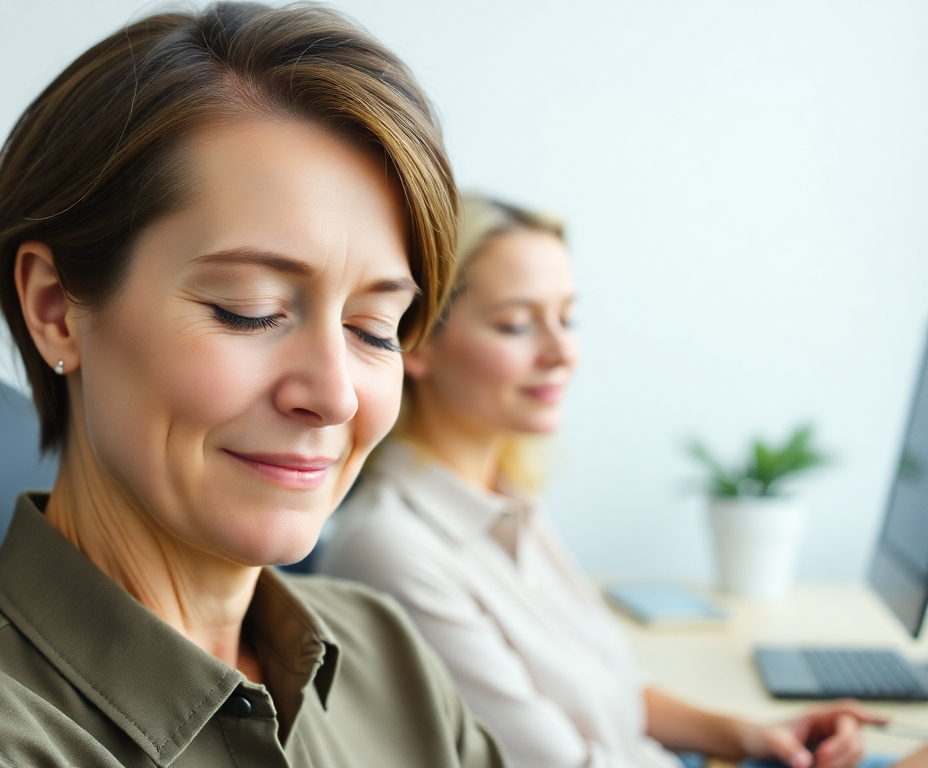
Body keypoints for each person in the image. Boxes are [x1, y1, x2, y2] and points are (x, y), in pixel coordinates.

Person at [0, 5, 503, 767]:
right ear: (56, 309)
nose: (336, 396)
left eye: (375, 328)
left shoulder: (384, 651)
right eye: (251, 312)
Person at [318, 192, 886, 768]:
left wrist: (750, 737)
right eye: (516, 324)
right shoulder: (390, 549)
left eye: (568, 318)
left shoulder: (506, 497)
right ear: (413, 342)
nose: (563, 350)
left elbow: (615, 687)